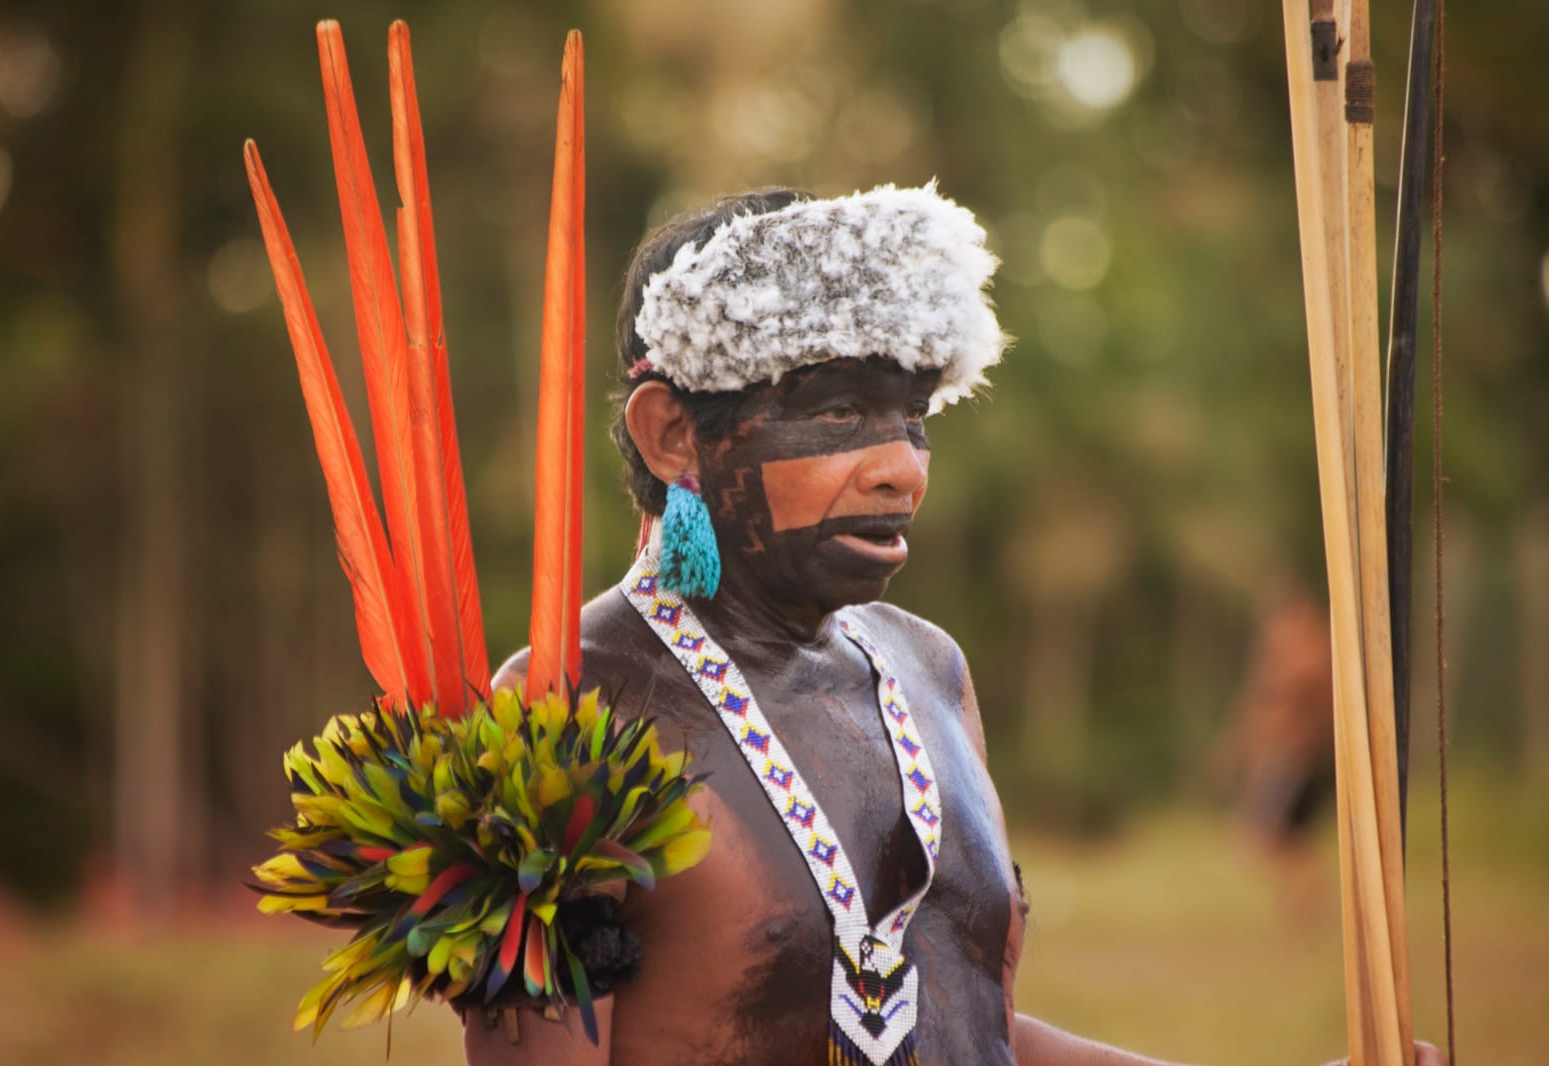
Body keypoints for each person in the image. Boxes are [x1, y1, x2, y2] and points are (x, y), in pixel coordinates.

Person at [462, 185, 1443, 1066]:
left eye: (914, 416)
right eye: (841, 412)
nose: (903, 468)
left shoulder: (925, 668)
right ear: (674, 432)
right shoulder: (565, 710)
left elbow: (969, 1027)